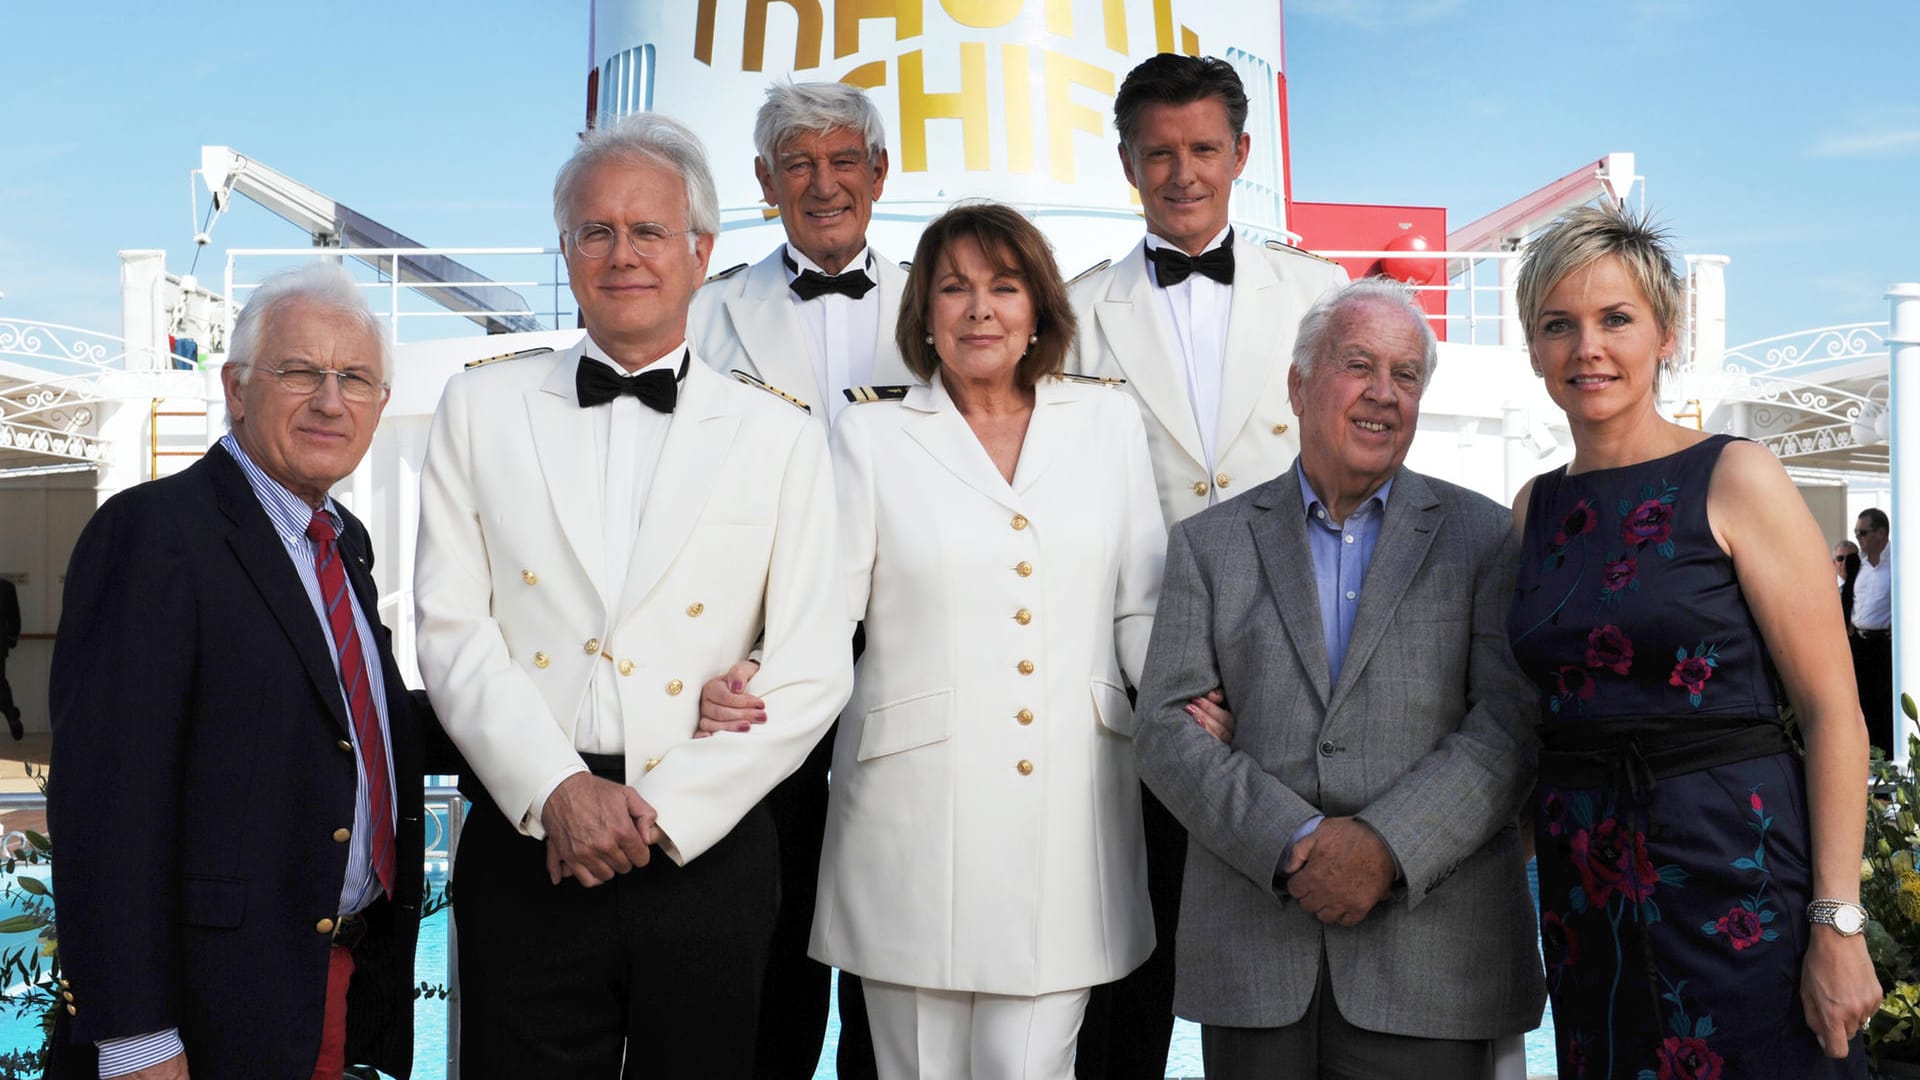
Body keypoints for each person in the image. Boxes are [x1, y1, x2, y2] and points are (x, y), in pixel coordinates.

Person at [413, 112, 853, 1078]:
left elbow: (815, 658)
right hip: (532, 831)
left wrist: (666, 812)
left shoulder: (779, 436)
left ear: (701, 253)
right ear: (565, 252)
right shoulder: (480, 408)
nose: (623, 255)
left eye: (649, 231)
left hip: (705, 840)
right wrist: (557, 790)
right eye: (595, 231)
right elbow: (451, 628)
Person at [1134, 278, 1543, 1078]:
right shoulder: (1208, 546)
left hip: (1435, 964)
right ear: (1298, 383)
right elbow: (1163, 733)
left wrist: (1385, 848)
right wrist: (1293, 842)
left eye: (1406, 376)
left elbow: (1509, 728)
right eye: (1359, 365)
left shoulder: (1487, 538)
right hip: (1256, 960)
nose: (1383, 395)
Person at [1508, 204, 1881, 1078]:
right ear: (1533, 348)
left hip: (1735, 872)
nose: (1587, 348)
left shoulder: (1735, 475)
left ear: (1665, 334)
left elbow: (1833, 713)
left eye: (1616, 320)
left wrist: (1839, 922)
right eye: (1558, 325)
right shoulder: (1534, 510)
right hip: (1582, 888)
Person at [803, 201, 1166, 1079]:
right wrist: (749, 680)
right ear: (922, 311)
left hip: (1070, 803)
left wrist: (1190, 708)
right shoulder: (873, 432)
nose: (978, 311)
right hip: (909, 815)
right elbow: (824, 614)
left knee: (1030, 1066)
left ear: (1038, 306)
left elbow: (1140, 606)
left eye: (1003, 287)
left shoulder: (1106, 423)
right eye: (953, 289)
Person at [47, 263, 429, 1080]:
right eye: (300, 372)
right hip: (207, 1016)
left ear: (380, 406)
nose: (331, 400)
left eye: (355, 378)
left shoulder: (343, 543)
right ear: (236, 388)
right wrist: (137, 1038)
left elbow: (356, 722)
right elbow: (106, 803)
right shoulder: (155, 535)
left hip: (329, 990)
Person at [1065, 53, 1348, 1076]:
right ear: (1128, 164)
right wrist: (1161, 677)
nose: (1182, 173)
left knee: (1296, 956)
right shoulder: (1074, 310)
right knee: (1125, 958)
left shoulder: (1322, 294)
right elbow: (1066, 521)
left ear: (1238, 155)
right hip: (1148, 684)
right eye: (1158, 154)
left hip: (1306, 677)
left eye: (1201, 150)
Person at [688, 79, 910, 1079]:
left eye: (842, 160)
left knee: (893, 912)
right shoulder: (707, 314)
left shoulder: (941, 304)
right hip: (756, 648)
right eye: (798, 165)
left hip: (905, 644)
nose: (824, 184)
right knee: (764, 913)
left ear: (880, 173)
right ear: (763, 183)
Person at [1851, 508, 1893, 756]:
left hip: (1884, 644)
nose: (1859, 538)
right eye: (1856, 533)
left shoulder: (1899, 562)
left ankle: (1886, 755)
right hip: (1859, 642)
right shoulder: (1858, 563)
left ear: (1881, 533)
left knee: (1883, 703)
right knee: (1860, 703)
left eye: (1863, 533)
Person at [0, 576, 18, 740]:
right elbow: (14, 617)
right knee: (0, 681)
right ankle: (10, 712)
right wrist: (12, 639)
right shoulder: (6, 587)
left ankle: (10, 712)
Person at [1834, 540, 1861, 630]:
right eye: (1840, 559)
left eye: (1850, 558)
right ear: (1834, 563)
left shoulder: (1870, 586)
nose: (1845, 563)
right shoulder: (1824, 589)